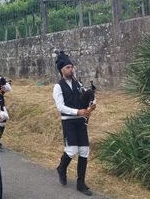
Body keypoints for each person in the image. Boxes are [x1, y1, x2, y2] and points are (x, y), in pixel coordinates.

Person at [53, 51, 96, 196]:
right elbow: (60, 107)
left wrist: (92, 104)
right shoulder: (58, 87)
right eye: (67, 68)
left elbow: (88, 96)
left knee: (84, 151)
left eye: (71, 67)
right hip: (69, 122)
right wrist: (78, 112)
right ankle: (61, 168)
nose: (70, 70)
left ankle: (81, 183)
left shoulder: (78, 84)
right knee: (72, 151)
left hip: (81, 122)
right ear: (61, 70)